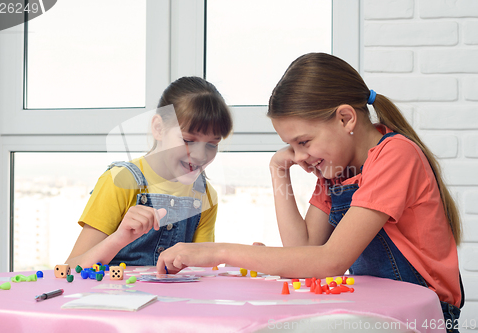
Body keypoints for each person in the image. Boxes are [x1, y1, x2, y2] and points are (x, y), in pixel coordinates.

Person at [157, 53, 464, 331]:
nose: (299, 155)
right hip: (376, 309)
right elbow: (301, 250)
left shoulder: (396, 156)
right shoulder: (335, 172)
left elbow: (328, 261)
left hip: (420, 316)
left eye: (303, 142)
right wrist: (279, 172)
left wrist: (218, 252)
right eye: (291, 145)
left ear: (345, 119)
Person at [66, 76, 233, 268]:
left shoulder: (205, 195)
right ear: (159, 128)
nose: (200, 155)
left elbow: (200, 270)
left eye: (212, 144)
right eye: (188, 140)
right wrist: (119, 238)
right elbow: (71, 268)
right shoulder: (120, 181)